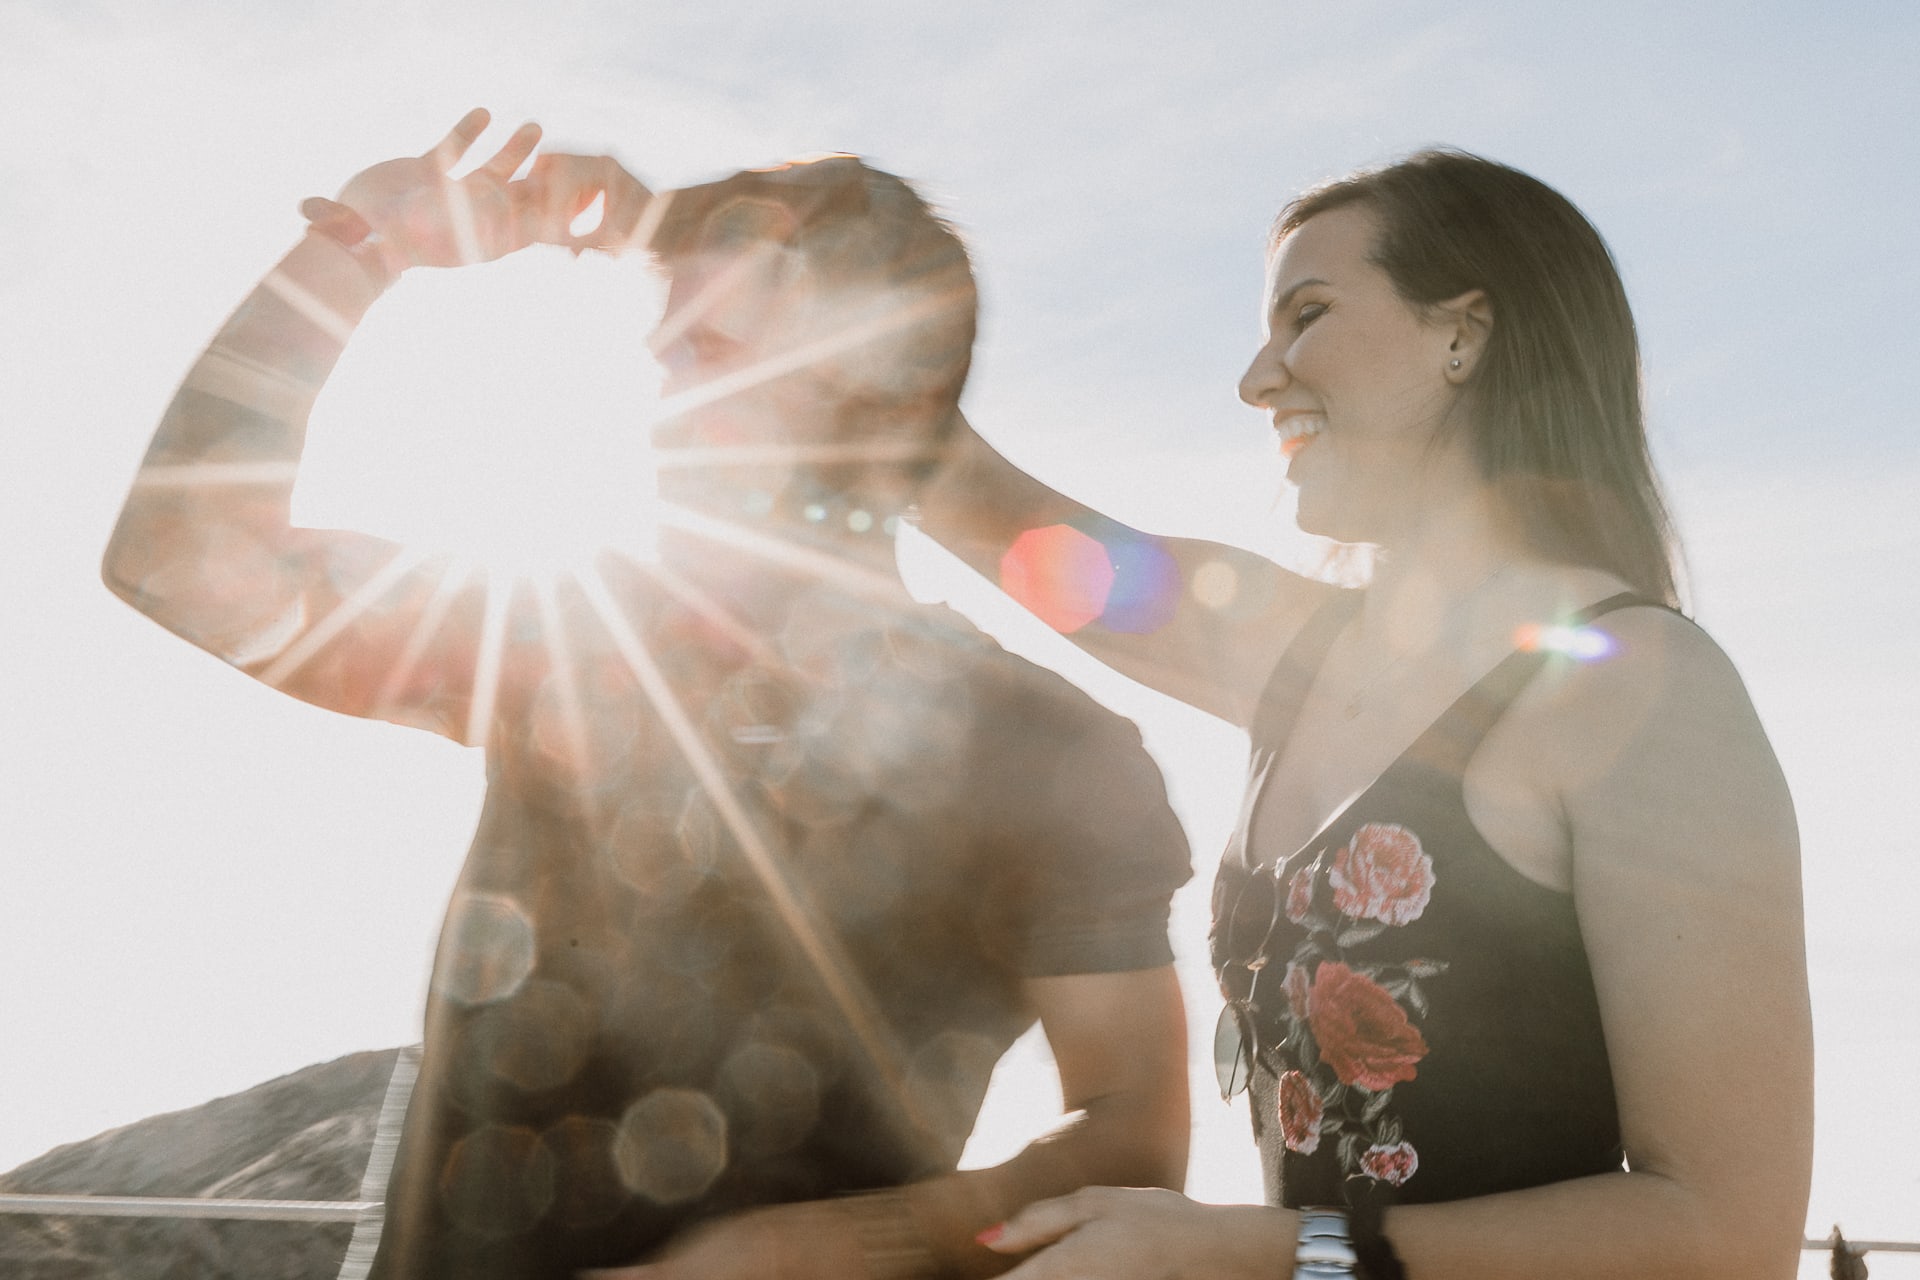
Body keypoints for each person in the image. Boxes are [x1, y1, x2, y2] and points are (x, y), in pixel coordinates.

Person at [101, 110, 1193, 1280]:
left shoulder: (1054, 748)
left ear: (890, 379)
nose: (663, 405)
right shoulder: (566, 634)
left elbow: (1132, 1138)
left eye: (716, 353)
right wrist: (360, 249)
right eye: (665, 355)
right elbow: (176, 557)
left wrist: (814, 1249)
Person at [908, 149, 1813, 1279]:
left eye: (1308, 314)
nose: (1257, 376)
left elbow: (1727, 1234)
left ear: (1462, 334)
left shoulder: (1642, 683)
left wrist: (1254, 1258)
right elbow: (1028, 535)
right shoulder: (1307, 655)